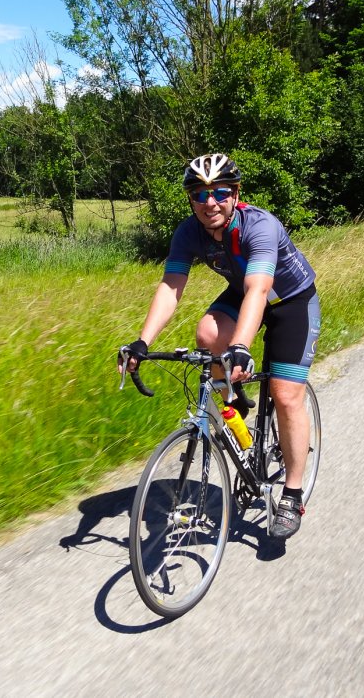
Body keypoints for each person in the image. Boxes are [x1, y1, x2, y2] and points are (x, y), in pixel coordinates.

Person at [119, 153, 321, 539]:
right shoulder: (188, 232)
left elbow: (260, 288)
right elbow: (171, 286)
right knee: (209, 336)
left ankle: (292, 495)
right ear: (190, 200)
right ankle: (235, 402)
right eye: (199, 195)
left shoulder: (260, 226)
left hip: (292, 301)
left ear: (235, 193)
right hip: (242, 293)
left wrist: (242, 344)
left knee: (284, 394)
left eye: (220, 192)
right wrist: (143, 341)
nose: (210, 202)